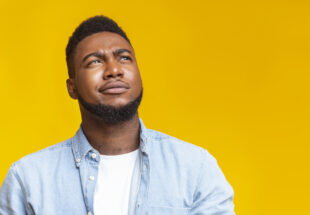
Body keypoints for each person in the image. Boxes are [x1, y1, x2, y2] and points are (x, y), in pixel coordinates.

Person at [0, 15, 235, 215]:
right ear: (72, 87)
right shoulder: (28, 179)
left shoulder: (194, 168)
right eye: (94, 62)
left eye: (124, 58)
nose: (114, 70)